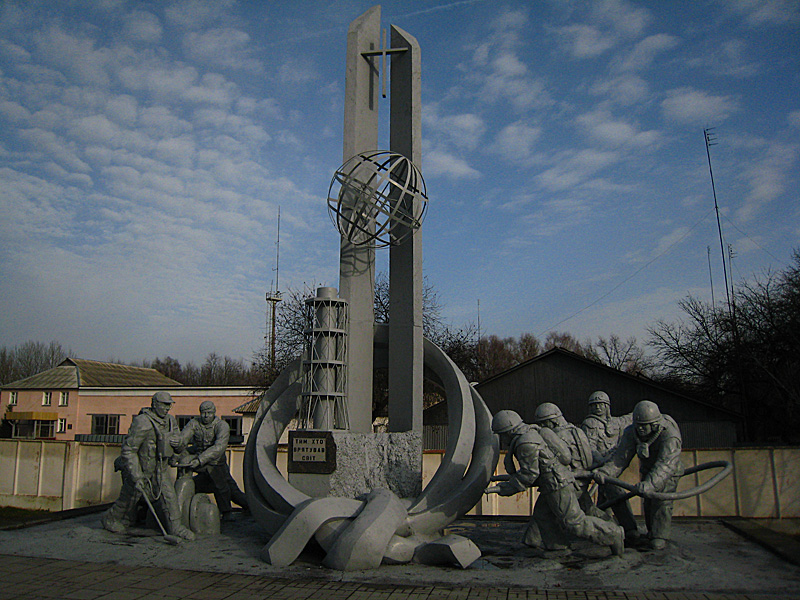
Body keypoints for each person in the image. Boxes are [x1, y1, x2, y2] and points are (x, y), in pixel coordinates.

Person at [489, 410, 624, 556]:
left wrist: (505, 489)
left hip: (556, 485)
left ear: (509, 431)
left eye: (502, 434)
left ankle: (612, 534)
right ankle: (558, 547)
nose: (502, 438)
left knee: (574, 522)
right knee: (543, 516)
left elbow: (529, 474)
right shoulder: (531, 432)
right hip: (553, 483)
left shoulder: (525, 443)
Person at [101, 391, 195, 540]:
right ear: (155, 404)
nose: (167, 408)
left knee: (169, 497)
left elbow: (180, 445)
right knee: (129, 498)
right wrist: (136, 474)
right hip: (142, 469)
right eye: (164, 405)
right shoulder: (143, 421)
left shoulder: (171, 421)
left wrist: (179, 443)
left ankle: (176, 528)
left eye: (169, 405)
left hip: (160, 469)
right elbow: (129, 449)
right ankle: (111, 519)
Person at [593, 400, 684, 550]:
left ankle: (659, 535)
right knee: (632, 495)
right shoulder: (631, 432)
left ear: (654, 424)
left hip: (669, 471)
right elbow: (620, 459)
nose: (640, 429)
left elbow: (665, 465)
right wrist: (605, 473)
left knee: (660, 500)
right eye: (638, 425)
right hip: (648, 469)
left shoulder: (669, 435)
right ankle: (630, 529)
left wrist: (650, 484)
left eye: (644, 426)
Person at [177, 400, 248, 521]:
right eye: (203, 413)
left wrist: (199, 460)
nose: (206, 416)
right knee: (186, 469)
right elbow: (184, 437)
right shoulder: (194, 423)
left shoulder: (221, 425)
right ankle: (180, 506)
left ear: (214, 412)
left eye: (209, 413)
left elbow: (218, 447)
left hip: (216, 462)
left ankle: (228, 512)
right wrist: (179, 445)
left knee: (225, 488)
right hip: (200, 461)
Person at [580, 391, 637, 538]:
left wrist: (647, 410)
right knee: (615, 492)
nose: (598, 408)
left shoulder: (616, 422)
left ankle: (604, 527)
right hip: (602, 466)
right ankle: (630, 529)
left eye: (601, 404)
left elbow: (630, 418)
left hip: (615, 464)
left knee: (604, 499)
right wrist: (602, 462)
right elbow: (589, 447)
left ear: (607, 406)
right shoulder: (589, 424)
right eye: (595, 405)